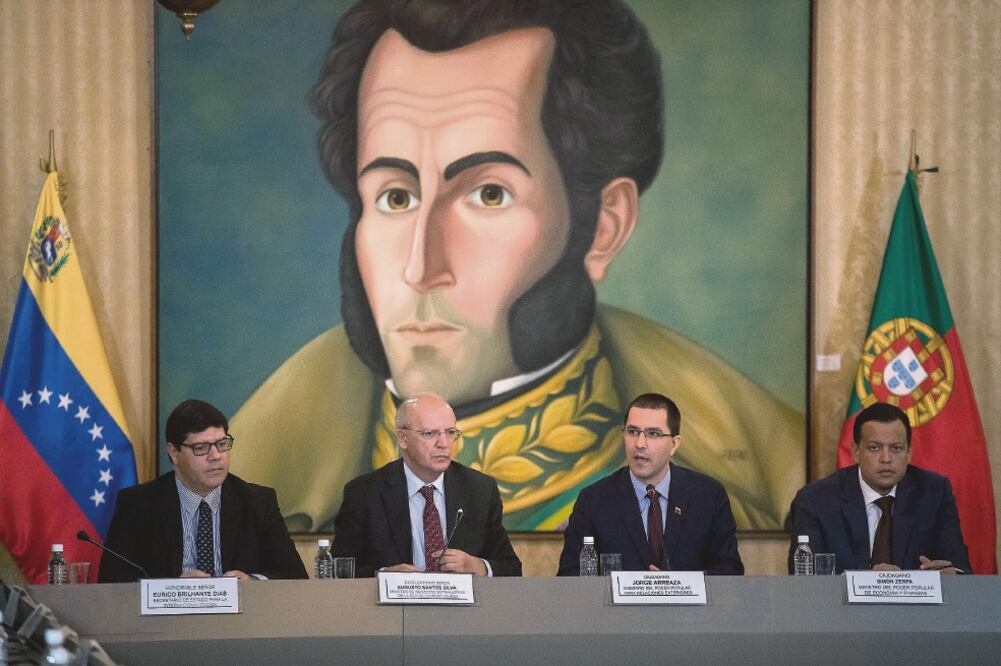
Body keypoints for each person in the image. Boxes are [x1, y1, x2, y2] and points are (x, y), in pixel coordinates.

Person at [230, 0, 804, 534]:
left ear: (603, 226)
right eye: (396, 197)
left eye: (488, 195)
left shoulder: (755, 488)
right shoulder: (262, 489)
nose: (420, 268)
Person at [98, 400, 307, 582]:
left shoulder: (258, 502)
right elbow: (113, 581)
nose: (216, 456)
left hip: (241, 622)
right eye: (201, 448)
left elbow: (294, 575)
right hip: (167, 624)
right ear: (174, 452)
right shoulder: (138, 505)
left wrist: (253, 581)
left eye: (222, 444)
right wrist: (171, 589)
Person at [331, 394, 521, 577]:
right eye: (430, 434)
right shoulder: (364, 493)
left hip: (462, 609)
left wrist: (479, 566)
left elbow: (512, 568)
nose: (444, 443)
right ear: (403, 438)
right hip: (392, 609)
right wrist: (383, 575)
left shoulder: (480, 490)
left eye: (450, 433)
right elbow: (338, 569)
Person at [557, 393, 743, 575]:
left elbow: (729, 569)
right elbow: (570, 575)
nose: (640, 443)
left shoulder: (707, 496)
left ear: (674, 444)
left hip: (687, 607)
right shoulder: (593, 500)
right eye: (632, 432)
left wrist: (678, 586)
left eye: (653, 434)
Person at [787, 402, 971, 574]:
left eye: (896, 448)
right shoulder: (816, 500)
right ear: (856, 452)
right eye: (875, 448)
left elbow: (961, 568)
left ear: (909, 452)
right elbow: (804, 579)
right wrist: (870, 583)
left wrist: (952, 576)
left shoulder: (934, 492)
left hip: (918, 609)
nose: (886, 458)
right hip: (843, 609)